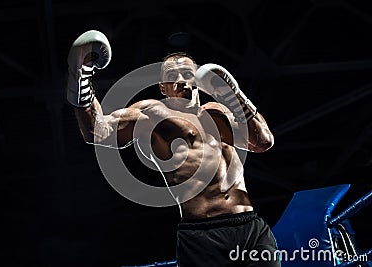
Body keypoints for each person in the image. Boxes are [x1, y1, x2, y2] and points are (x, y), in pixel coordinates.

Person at [66, 30, 280, 267]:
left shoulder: (219, 112)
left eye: (187, 73)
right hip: (202, 235)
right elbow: (97, 130)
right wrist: (80, 76)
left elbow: (263, 142)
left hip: (250, 227)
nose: (181, 79)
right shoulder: (154, 114)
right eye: (172, 75)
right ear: (162, 88)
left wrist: (234, 94)